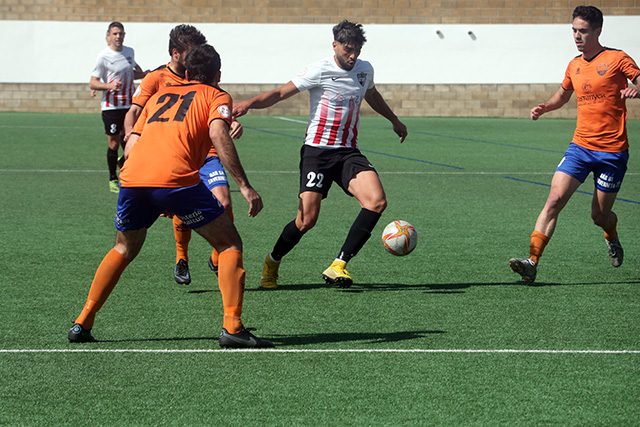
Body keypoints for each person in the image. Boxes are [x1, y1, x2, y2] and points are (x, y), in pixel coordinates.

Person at [69, 44, 273, 348]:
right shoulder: (217, 95)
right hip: (175, 179)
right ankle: (232, 327)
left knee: (124, 248)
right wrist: (244, 185)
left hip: (134, 176)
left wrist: (147, 186)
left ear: (187, 73)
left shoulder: (160, 95)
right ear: (218, 75)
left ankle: (82, 321)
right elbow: (219, 134)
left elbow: (134, 138)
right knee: (229, 243)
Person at [233, 20, 408, 289]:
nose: (353, 56)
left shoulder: (364, 69)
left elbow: (371, 94)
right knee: (306, 220)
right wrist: (248, 104)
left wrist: (394, 120)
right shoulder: (319, 70)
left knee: (376, 201)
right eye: (348, 50)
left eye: (357, 51)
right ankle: (272, 261)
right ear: (335, 45)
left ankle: (339, 265)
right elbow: (280, 93)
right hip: (317, 152)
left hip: (348, 152)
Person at [509, 5, 639, 284]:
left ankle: (611, 234)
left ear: (597, 31)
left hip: (613, 152)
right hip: (580, 148)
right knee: (554, 200)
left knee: (599, 215)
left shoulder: (617, 59)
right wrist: (545, 107)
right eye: (574, 30)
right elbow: (562, 95)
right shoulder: (574, 65)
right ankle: (531, 261)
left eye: (583, 31)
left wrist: (637, 90)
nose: (577, 36)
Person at [124, 24, 243, 286]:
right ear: (177, 54)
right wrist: (132, 137)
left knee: (224, 203)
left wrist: (229, 123)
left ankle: (217, 257)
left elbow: (212, 119)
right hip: (175, 154)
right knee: (180, 204)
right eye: (191, 52)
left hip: (207, 152)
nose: (196, 56)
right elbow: (135, 113)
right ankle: (182, 257)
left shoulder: (205, 82)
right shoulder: (157, 79)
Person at [90, 21, 147, 193]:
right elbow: (93, 82)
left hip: (130, 105)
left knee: (132, 139)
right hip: (111, 107)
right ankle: (112, 178)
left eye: (121, 33)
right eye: (115, 34)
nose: (118, 37)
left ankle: (128, 174)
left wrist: (144, 74)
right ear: (108, 36)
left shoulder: (129, 52)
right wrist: (109, 86)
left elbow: (132, 71)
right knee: (114, 143)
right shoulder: (103, 56)